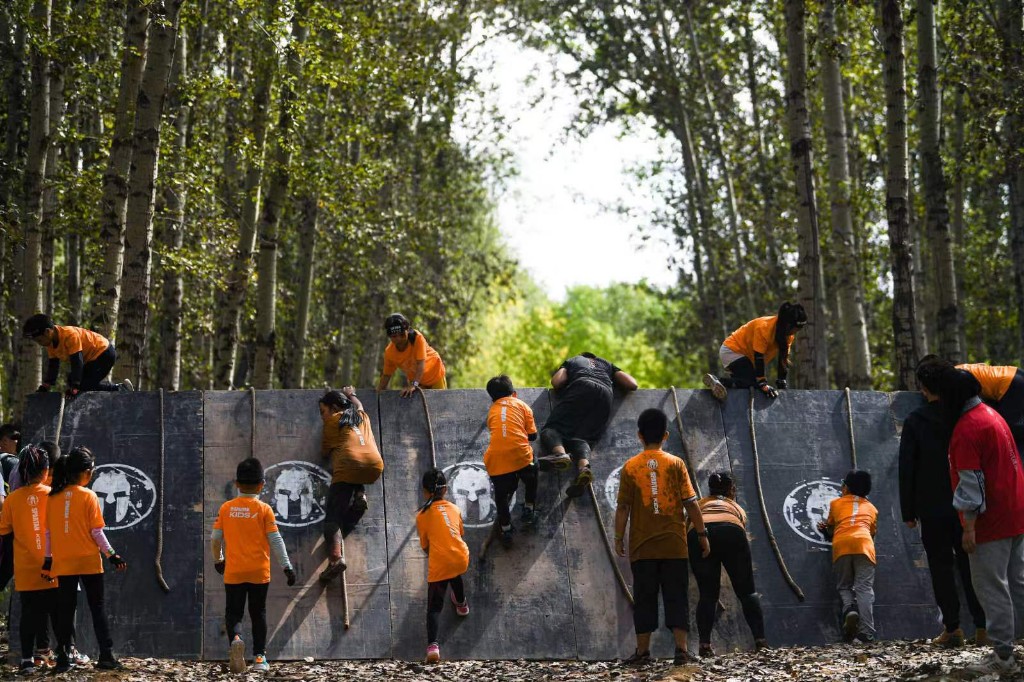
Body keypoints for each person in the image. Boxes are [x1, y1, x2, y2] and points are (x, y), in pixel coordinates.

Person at [938, 367, 1024, 675]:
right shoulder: (992, 414)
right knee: (1017, 583)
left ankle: (1003, 654)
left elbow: (971, 482)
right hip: (1015, 511)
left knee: (991, 587)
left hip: (991, 520)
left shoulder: (967, 428)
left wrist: (969, 525)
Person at [898, 359, 987, 647]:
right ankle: (983, 625)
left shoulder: (915, 420)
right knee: (970, 565)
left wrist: (908, 510)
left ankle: (953, 628)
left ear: (923, 388)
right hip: (965, 504)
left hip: (931, 505)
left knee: (940, 566)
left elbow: (907, 467)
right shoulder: (963, 416)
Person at [614, 408, 709, 666]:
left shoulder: (630, 467)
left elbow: (623, 507)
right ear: (665, 436)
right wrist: (702, 534)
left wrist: (618, 537)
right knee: (677, 596)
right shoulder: (676, 463)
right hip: (674, 547)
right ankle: (681, 651)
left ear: (639, 436)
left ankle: (643, 652)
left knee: (644, 598)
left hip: (642, 548)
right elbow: (691, 502)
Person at [45, 446, 127, 672]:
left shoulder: (52, 498)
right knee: (97, 608)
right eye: (91, 470)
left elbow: (49, 533)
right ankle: (106, 655)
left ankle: (62, 657)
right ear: (85, 472)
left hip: (64, 563)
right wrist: (112, 555)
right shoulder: (89, 496)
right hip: (89, 562)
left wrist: (48, 559)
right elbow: (97, 532)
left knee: (65, 610)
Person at [212, 457, 297, 673]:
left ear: (237, 484)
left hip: (234, 571)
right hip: (259, 572)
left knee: (234, 613)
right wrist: (287, 566)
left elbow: (215, 538)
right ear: (261, 485)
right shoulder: (264, 509)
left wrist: (219, 559)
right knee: (258, 613)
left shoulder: (226, 508)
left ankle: (237, 639)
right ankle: (260, 659)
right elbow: (276, 540)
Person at [687, 472, 767, 656]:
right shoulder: (735, 506)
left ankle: (705, 646)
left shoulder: (700, 504)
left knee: (708, 595)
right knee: (747, 592)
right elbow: (740, 527)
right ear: (732, 490)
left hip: (700, 534)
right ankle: (760, 641)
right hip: (732, 531)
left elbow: (688, 527)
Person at [538, 352, 638, 498]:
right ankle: (584, 468)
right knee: (582, 439)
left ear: (583, 356)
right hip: (605, 396)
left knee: (551, 430)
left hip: (581, 387)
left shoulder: (574, 360)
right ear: (594, 357)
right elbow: (632, 384)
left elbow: (556, 382)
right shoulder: (607, 364)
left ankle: (560, 454)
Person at [0, 445, 58, 674]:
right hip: (51, 564)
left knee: (28, 612)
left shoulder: (13, 499)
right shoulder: (54, 494)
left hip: (24, 567)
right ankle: (60, 654)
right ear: (46, 471)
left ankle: (26, 660)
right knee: (55, 610)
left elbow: (4, 531)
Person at [318, 387, 383, 582]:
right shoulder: (361, 415)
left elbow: (324, 452)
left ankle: (336, 559)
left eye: (323, 411)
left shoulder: (332, 421)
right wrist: (351, 394)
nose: (323, 416)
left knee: (332, 519)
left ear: (334, 407)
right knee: (353, 462)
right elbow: (359, 405)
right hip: (375, 465)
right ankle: (359, 494)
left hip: (350, 466)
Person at [416, 468, 470, 664]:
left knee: (434, 607)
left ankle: (433, 646)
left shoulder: (422, 515)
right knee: (455, 573)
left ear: (424, 491)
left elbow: (425, 546)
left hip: (440, 563)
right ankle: (462, 604)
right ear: (445, 490)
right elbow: (460, 533)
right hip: (461, 557)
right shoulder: (455, 509)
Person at [817, 470, 878, 643]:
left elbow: (830, 528)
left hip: (842, 545)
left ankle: (850, 608)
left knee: (844, 585)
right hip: (865, 546)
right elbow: (872, 532)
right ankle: (866, 632)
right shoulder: (872, 508)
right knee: (864, 589)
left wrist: (825, 529)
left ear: (847, 488)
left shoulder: (836, 503)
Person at [702, 302, 807, 401]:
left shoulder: (788, 336)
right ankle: (720, 382)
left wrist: (781, 382)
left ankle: (724, 391)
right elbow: (759, 357)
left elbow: (783, 360)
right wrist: (762, 383)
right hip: (732, 350)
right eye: (796, 329)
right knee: (754, 384)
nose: (796, 332)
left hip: (748, 358)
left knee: (747, 386)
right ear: (787, 325)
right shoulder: (764, 327)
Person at [482, 375, 539, 546]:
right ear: (514, 393)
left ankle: (506, 529)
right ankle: (529, 508)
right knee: (532, 471)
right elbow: (533, 436)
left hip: (496, 460)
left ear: (492, 398)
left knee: (501, 496)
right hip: (521, 456)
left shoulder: (491, 411)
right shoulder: (523, 405)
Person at [22, 314, 133, 397]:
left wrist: (75, 386)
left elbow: (77, 361)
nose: (40, 343)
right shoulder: (51, 344)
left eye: (40, 340)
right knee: (72, 380)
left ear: (47, 332)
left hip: (104, 353)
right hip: (92, 359)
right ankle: (117, 389)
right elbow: (53, 366)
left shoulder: (69, 335)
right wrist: (46, 386)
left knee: (81, 385)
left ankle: (119, 389)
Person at [376, 313, 446, 397]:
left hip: (435, 375)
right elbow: (386, 375)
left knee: (439, 403)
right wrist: (378, 393)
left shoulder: (417, 338)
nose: (399, 339)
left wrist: (414, 384)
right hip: (418, 381)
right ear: (390, 337)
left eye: (402, 335)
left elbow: (421, 364)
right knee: (414, 404)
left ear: (407, 330)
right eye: (394, 336)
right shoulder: (390, 352)